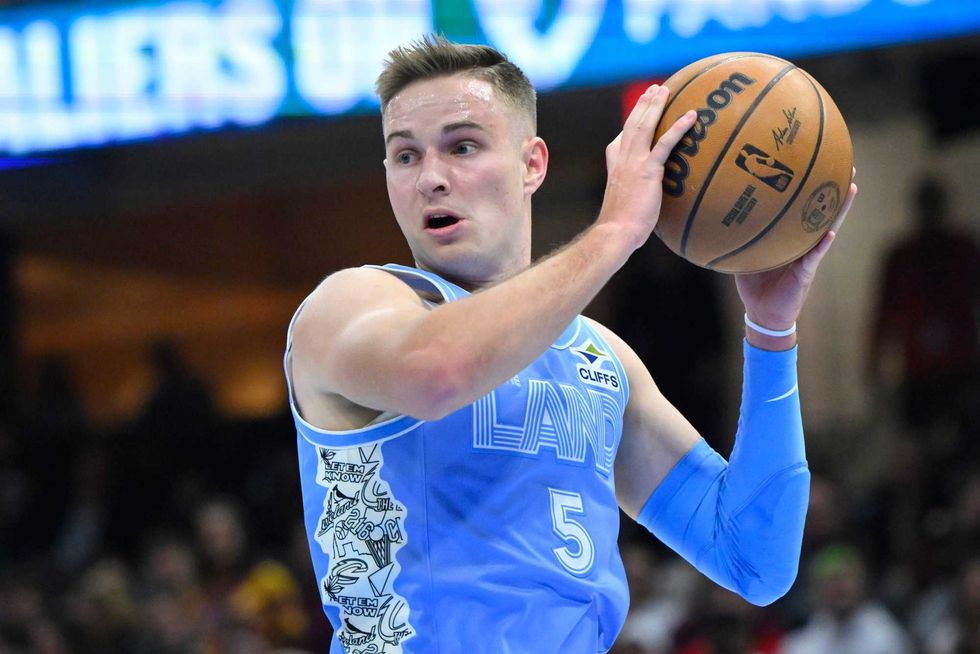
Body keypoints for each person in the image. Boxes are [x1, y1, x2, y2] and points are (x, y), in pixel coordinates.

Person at [283, 35, 858, 653]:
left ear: (532, 164)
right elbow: (437, 374)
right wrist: (613, 232)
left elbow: (754, 560)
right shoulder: (350, 305)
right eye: (405, 156)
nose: (431, 179)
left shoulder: (601, 361)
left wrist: (771, 333)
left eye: (463, 147)